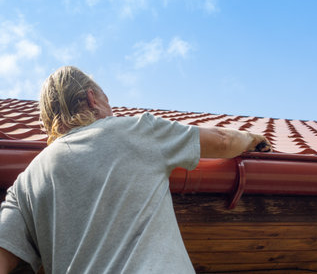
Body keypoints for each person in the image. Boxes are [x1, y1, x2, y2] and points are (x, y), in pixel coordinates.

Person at [0, 66, 272, 273]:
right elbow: (222, 142)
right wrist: (251, 138)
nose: (113, 112)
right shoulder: (136, 130)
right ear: (92, 99)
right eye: (109, 102)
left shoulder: (25, 183)